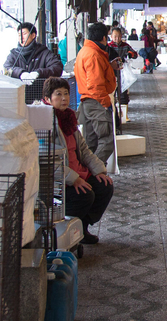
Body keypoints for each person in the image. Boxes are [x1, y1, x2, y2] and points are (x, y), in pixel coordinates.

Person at [42, 77, 113, 245]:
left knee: (104, 186)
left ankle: (82, 227)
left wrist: (99, 170)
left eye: (66, 93)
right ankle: (67, 232)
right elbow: (49, 161)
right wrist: (74, 179)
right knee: (85, 195)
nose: (64, 98)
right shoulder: (45, 123)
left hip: (79, 172)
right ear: (47, 99)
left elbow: (83, 150)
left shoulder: (69, 119)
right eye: (58, 94)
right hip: (60, 180)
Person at [74, 23, 119, 164]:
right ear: (104, 37)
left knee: (90, 143)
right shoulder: (94, 55)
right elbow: (95, 85)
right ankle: (95, 171)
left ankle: (89, 176)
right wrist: (106, 103)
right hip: (96, 102)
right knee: (107, 141)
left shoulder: (86, 51)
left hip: (87, 102)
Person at [109, 27, 138, 122]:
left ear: (121, 36)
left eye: (118, 36)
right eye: (115, 36)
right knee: (112, 94)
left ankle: (124, 115)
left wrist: (131, 54)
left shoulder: (125, 45)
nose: (117, 39)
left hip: (123, 73)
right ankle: (114, 116)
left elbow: (135, 54)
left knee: (123, 94)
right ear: (111, 36)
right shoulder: (108, 47)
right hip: (111, 74)